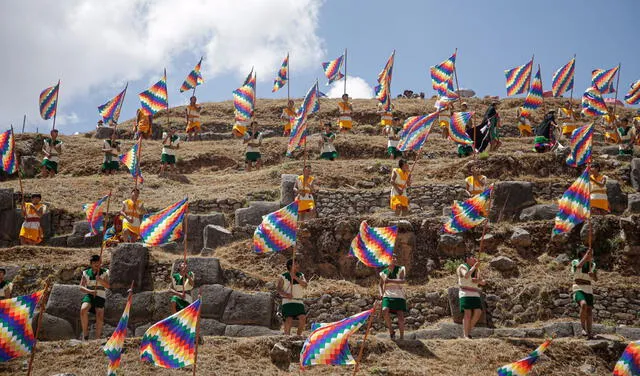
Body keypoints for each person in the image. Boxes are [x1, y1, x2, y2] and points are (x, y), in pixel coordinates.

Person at [79, 255, 110, 340]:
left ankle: (97, 338)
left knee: (99, 315)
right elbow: (81, 287)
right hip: (89, 295)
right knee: (83, 310)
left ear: (100, 262)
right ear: (91, 264)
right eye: (94, 263)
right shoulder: (86, 273)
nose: (97, 264)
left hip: (100, 296)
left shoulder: (105, 272)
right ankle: (85, 334)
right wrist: (90, 292)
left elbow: (108, 286)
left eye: (98, 262)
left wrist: (100, 280)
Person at [457, 254, 486, 339]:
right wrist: (474, 267)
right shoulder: (462, 267)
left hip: (475, 293)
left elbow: (483, 282)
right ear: (467, 259)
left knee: (478, 312)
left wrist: (478, 280)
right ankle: (466, 335)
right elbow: (466, 275)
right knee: (468, 313)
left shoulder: (477, 269)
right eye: (472, 257)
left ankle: (467, 331)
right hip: (465, 292)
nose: (474, 259)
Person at [571, 247, 597, 338]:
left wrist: (593, 276)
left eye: (591, 254)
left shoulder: (593, 264)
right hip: (578, 287)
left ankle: (589, 332)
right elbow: (578, 266)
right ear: (582, 253)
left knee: (589, 310)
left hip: (589, 289)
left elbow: (596, 279)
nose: (591, 255)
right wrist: (586, 256)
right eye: (589, 253)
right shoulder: (575, 261)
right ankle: (582, 328)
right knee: (583, 304)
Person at [276, 259, 307, 336]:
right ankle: (287, 337)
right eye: (295, 264)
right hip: (287, 301)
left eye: (298, 264)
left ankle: (298, 336)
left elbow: (305, 284)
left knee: (303, 318)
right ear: (290, 266)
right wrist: (286, 294)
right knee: (288, 319)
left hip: (298, 301)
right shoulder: (283, 276)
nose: (298, 265)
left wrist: (295, 277)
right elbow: (278, 289)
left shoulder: (301, 275)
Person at [379, 255, 407, 340]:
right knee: (384, 310)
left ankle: (402, 337)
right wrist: (381, 294)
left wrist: (390, 280)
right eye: (392, 258)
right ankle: (391, 331)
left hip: (398, 294)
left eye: (395, 257)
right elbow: (380, 285)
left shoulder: (401, 269)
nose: (394, 259)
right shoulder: (383, 273)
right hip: (387, 294)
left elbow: (403, 281)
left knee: (400, 316)